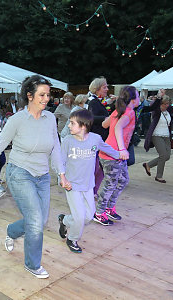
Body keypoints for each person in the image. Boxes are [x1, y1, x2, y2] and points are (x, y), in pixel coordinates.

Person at [0, 75, 67, 279]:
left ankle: (12, 231)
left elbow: (56, 147)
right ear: (29, 96)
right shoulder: (17, 120)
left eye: (48, 94)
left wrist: (62, 174)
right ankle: (33, 264)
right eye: (42, 94)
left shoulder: (49, 120)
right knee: (36, 220)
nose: (46, 98)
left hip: (42, 175)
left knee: (39, 220)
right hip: (19, 173)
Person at [57, 109, 120, 253]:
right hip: (71, 185)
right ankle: (72, 239)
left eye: (72, 123)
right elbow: (60, 161)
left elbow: (107, 149)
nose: (69, 126)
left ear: (83, 126)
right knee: (79, 217)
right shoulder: (67, 141)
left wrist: (120, 154)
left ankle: (65, 220)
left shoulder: (95, 139)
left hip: (88, 185)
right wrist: (62, 179)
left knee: (88, 216)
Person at [94, 86, 138, 226]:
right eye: (138, 95)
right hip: (112, 154)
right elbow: (118, 127)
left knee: (123, 180)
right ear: (132, 99)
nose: (139, 98)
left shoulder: (120, 111)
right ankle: (99, 213)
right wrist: (122, 149)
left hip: (113, 154)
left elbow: (104, 124)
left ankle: (108, 207)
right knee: (110, 183)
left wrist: (113, 116)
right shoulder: (129, 112)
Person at [142, 91, 173, 183]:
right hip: (156, 135)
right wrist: (159, 97)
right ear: (160, 103)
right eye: (165, 104)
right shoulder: (156, 110)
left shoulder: (168, 110)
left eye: (168, 103)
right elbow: (153, 106)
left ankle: (148, 165)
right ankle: (159, 176)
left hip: (166, 136)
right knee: (163, 155)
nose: (167, 105)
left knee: (167, 156)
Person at [87, 77, 110, 196]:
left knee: (100, 168)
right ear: (97, 89)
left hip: (102, 139)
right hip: (95, 139)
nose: (107, 89)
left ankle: (94, 191)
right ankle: (90, 190)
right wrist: (106, 119)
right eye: (104, 87)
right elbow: (90, 118)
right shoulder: (93, 102)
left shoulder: (100, 102)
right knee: (96, 168)